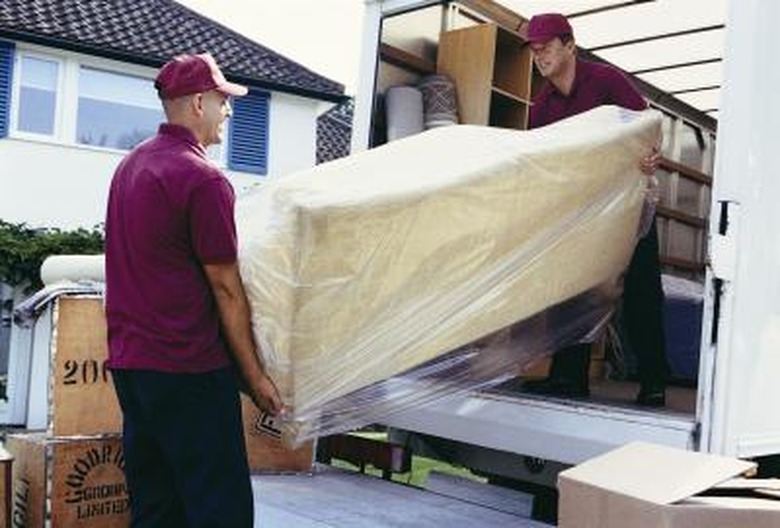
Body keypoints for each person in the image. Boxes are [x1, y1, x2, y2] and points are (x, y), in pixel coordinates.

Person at [104, 52, 283, 527]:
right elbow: (226, 288)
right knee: (218, 511)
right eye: (225, 100)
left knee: (158, 507)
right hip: (189, 370)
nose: (230, 110)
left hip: (133, 369)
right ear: (199, 103)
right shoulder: (203, 180)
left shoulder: (130, 167)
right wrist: (256, 378)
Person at [521, 13, 670, 407]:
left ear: (570, 45)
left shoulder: (605, 81)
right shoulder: (542, 107)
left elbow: (647, 125)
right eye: (534, 49)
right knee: (573, 291)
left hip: (628, 204)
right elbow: (541, 163)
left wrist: (650, 155)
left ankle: (654, 380)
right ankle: (568, 378)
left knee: (640, 290)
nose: (539, 55)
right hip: (582, 214)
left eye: (546, 46)